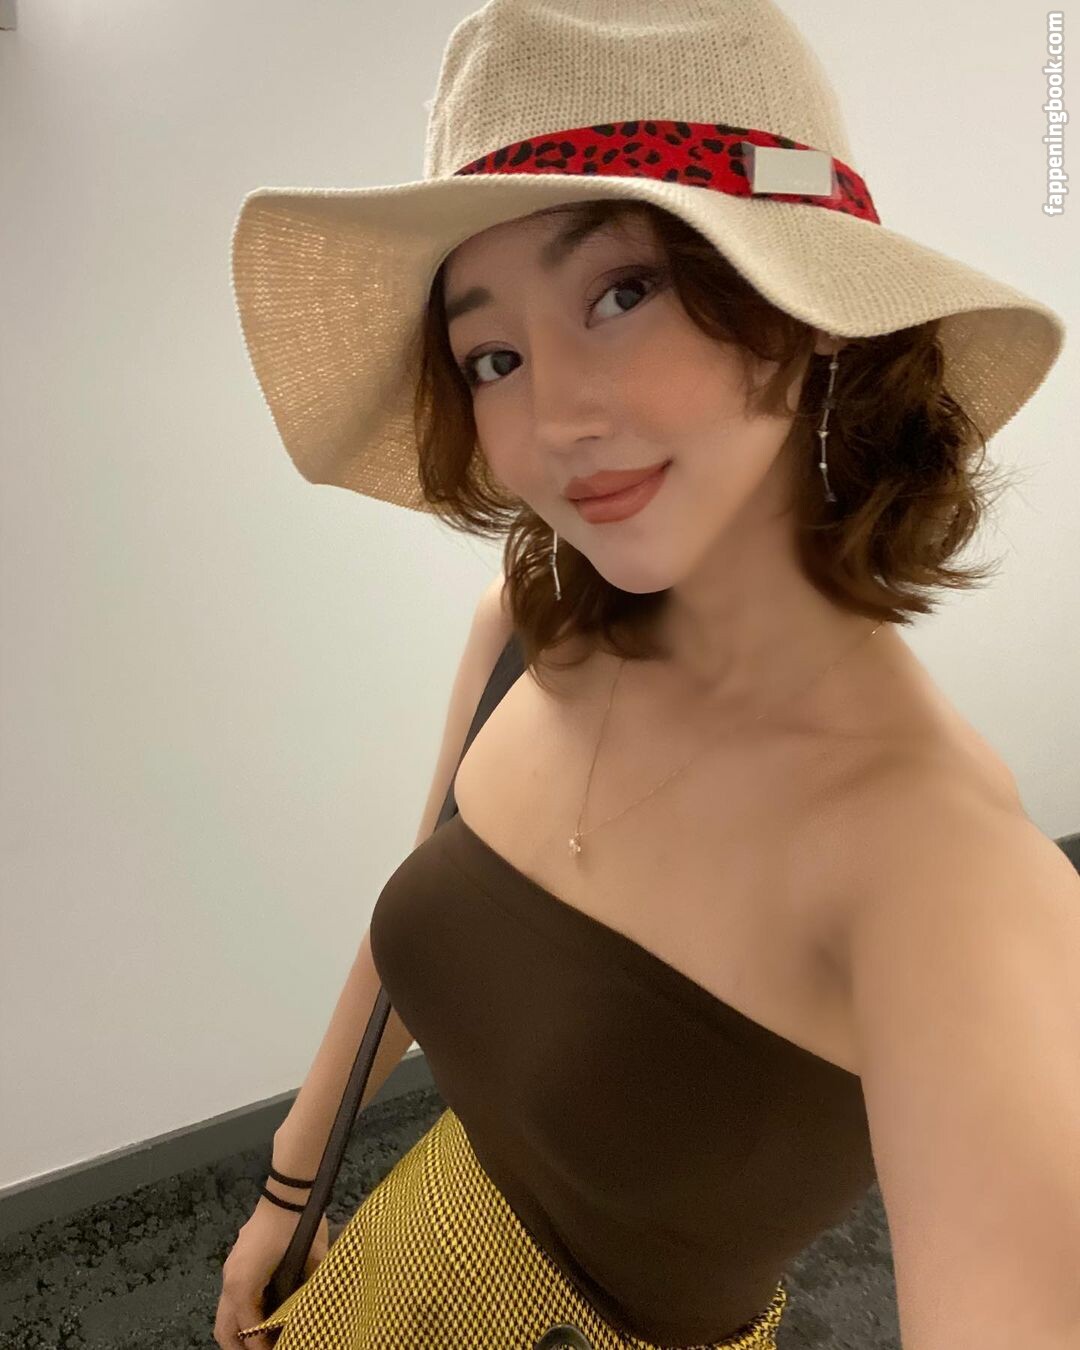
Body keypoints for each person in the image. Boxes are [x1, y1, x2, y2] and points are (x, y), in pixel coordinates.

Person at [217, 1, 1070, 1347]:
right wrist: (294, 1177)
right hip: (399, 1256)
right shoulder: (528, 623)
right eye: (492, 355)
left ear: (813, 308)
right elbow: (413, 925)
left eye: (622, 293)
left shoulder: (948, 873)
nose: (553, 416)